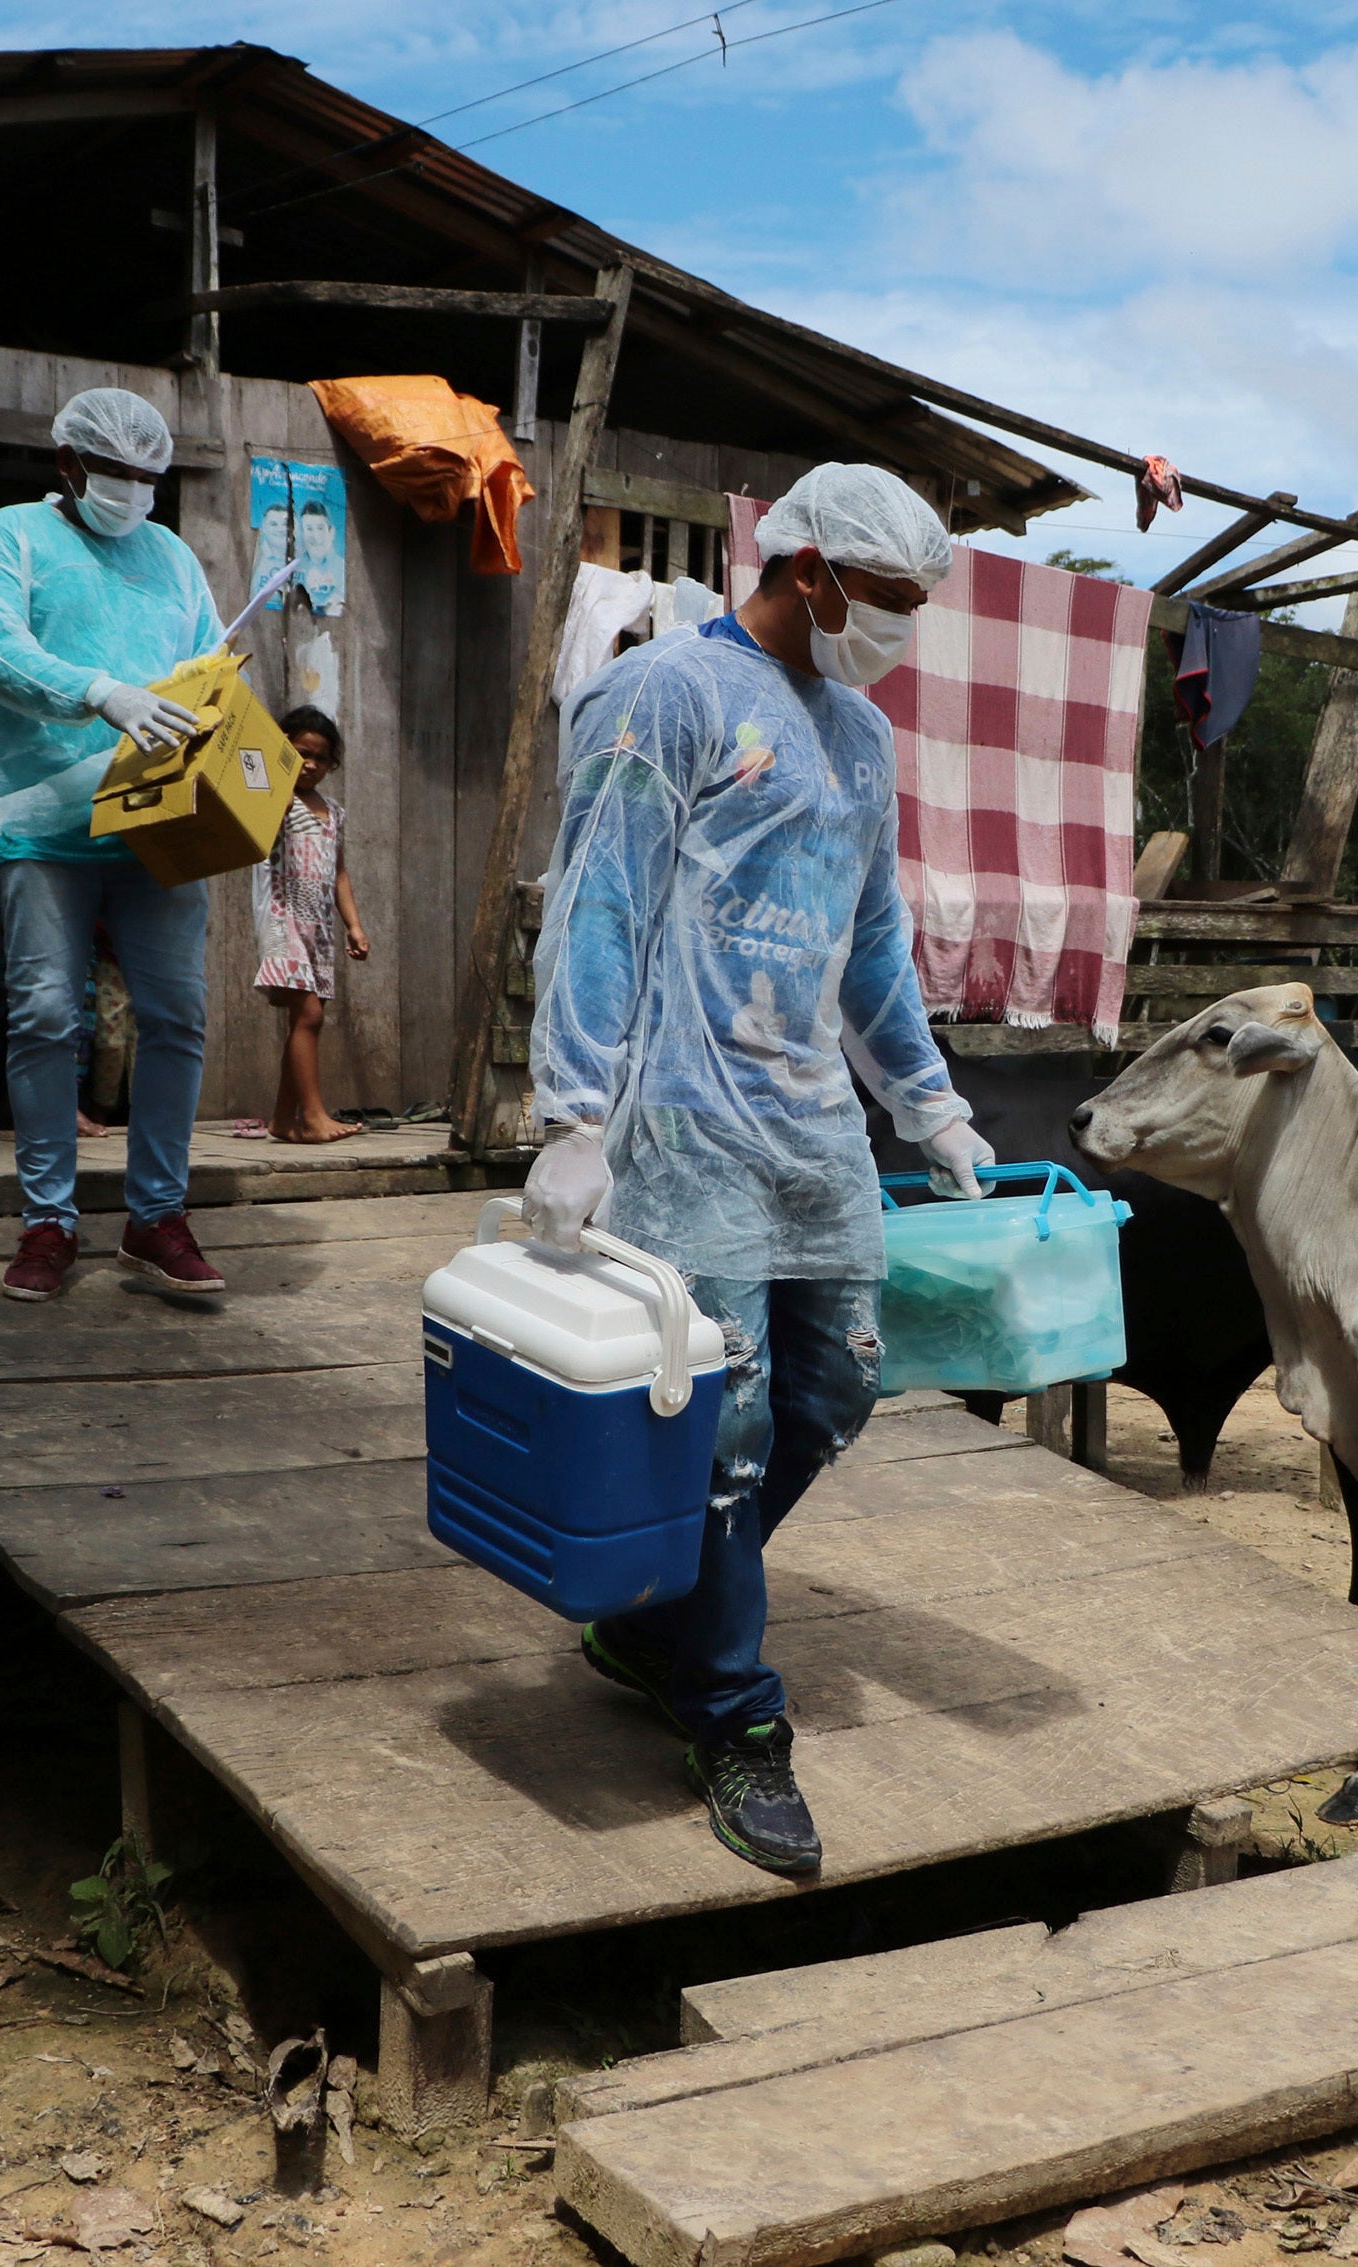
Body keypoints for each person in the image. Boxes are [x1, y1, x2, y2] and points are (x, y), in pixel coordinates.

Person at [522, 462, 992, 1877]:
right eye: (892, 600)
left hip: (809, 1131)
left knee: (835, 1390)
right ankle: (733, 1713)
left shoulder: (860, 739)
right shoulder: (666, 693)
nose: (903, 628)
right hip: (678, 1117)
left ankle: (655, 1617)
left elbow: (871, 946)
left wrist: (930, 1101)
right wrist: (571, 1113)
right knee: (723, 1427)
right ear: (807, 569)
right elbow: (597, 895)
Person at [0, 386, 231, 1301]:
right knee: (43, 1015)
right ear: (66, 465)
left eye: (148, 478)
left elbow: (203, 673)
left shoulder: (176, 558)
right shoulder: (10, 538)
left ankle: (156, 1216)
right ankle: (48, 1220)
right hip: (43, 818)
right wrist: (100, 692)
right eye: (115, 474)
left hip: (156, 820)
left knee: (178, 1017)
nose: (133, 492)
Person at [252, 704, 373, 1143]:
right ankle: (314, 1115)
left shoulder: (333, 811)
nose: (310, 764)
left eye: (320, 758)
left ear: (331, 763)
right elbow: (259, 833)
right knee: (309, 1014)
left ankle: (284, 1122)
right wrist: (276, 789)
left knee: (303, 1020)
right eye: (300, 752)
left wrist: (353, 925)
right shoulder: (272, 798)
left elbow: (339, 872)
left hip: (317, 928)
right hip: (283, 918)